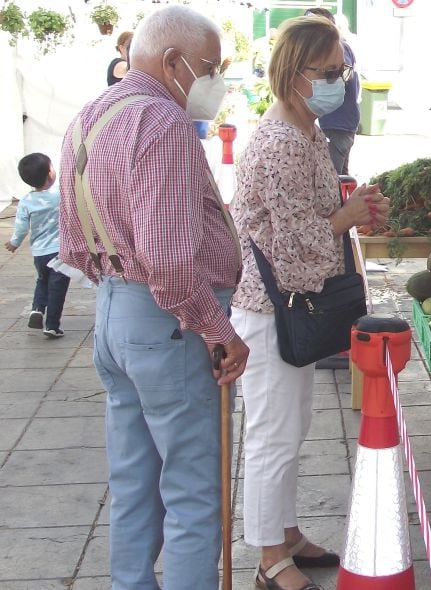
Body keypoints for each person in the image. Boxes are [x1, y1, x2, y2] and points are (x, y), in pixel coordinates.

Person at [57, 6, 248, 589]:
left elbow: (72, 239)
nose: (214, 82)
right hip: (167, 321)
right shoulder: (161, 121)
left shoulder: (91, 115)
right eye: (210, 68)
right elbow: (167, 258)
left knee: (133, 479)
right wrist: (217, 328)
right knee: (193, 489)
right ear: (173, 62)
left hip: (115, 313)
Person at [229, 15, 388, 590]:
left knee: (292, 428)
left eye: (342, 72)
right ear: (295, 74)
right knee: (272, 434)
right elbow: (296, 249)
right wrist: (345, 219)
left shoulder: (306, 132)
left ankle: (286, 532)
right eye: (327, 73)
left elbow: (311, 218)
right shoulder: (280, 143)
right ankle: (269, 557)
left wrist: (353, 206)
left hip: (288, 308)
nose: (339, 84)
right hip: (271, 311)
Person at [6, 153, 70, 338]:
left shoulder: (26, 200)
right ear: (50, 174)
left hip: (39, 253)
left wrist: (14, 243)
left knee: (42, 281)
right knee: (57, 288)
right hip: (60, 253)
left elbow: (21, 227)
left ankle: (37, 309)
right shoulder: (60, 194)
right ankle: (52, 325)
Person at [304, 7, 360, 174]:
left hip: (338, 124)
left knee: (332, 178)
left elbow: (347, 73)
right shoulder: (336, 48)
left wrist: (326, 74)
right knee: (340, 180)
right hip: (338, 123)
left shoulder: (339, 48)